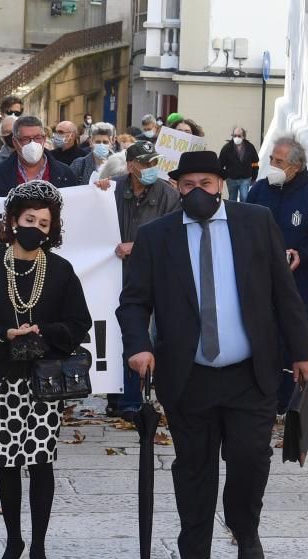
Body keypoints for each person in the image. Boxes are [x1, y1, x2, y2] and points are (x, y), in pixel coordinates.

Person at [117, 150, 308, 559]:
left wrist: (301, 352)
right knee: (194, 466)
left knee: (250, 458)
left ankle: (245, 528)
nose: (197, 192)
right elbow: (133, 301)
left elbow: (285, 294)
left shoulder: (256, 221)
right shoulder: (156, 236)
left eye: (205, 183)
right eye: (187, 185)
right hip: (189, 374)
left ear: (221, 185)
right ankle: (194, 556)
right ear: (176, 189)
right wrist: (138, 346)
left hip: (251, 371)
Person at [0, 181, 90, 559]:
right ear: (13, 222)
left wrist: (44, 331)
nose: (36, 227)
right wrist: (4, 334)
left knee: (40, 461)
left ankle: (38, 549)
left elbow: (79, 323)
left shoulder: (62, 269)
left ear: (53, 229)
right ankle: (13, 543)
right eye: (29, 219)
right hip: (0, 378)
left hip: (42, 383)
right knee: (6, 462)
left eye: (44, 222)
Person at [247, 135, 308, 412]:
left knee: (291, 341)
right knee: (260, 339)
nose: (272, 165)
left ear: (295, 167)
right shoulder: (259, 191)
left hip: (299, 285)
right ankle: (259, 396)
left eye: (278, 161)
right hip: (259, 284)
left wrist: (303, 255)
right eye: (271, 159)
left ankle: (283, 401)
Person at [105, 140, 179, 419]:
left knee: (144, 334)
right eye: (145, 163)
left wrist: (136, 246)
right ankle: (118, 397)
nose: (151, 168)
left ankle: (137, 398)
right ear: (130, 165)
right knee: (116, 332)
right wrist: (97, 191)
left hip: (152, 275)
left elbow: (172, 236)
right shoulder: (112, 188)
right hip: (114, 274)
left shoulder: (167, 196)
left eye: (154, 162)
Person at [0, 116, 79, 197]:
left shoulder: (65, 173)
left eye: (37, 138)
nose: (33, 144)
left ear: (44, 138)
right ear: (15, 141)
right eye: (25, 139)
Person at [219, 127, 259, 202]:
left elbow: (255, 163)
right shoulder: (227, 148)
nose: (237, 137)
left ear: (243, 136)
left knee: (244, 198)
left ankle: (243, 213)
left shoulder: (250, 147)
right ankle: (233, 213)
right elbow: (220, 164)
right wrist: (223, 176)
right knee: (232, 198)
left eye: (239, 136)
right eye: (235, 135)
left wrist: (254, 177)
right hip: (231, 179)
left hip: (245, 178)